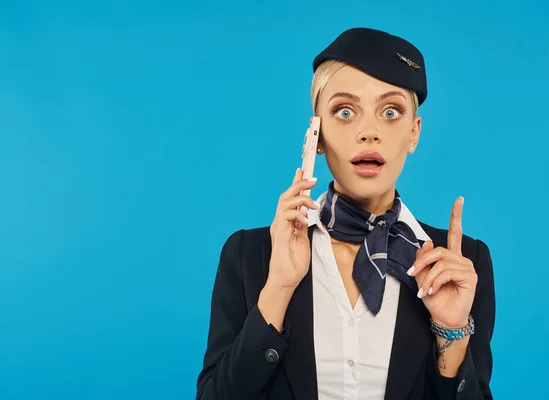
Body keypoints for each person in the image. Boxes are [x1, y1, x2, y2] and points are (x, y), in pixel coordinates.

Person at [195, 27, 495, 400]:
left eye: (390, 111)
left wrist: (450, 331)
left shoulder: (461, 264)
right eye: (345, 111)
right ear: (315, 136)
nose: (369, 132)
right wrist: (279, 288)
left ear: (413, 133)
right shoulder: (248, 255)